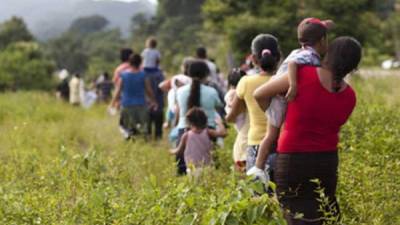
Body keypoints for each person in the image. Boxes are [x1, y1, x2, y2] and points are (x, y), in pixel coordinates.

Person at [254, 36, 362, 224]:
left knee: (293, 213)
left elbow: (259, 93)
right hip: (327, 160)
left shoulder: (303, 75)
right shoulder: (350, 96)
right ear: (353, 67)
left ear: (329, 54)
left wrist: (277, 118)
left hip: (292, 158)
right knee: (323, 210)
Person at [248, 18, 334, 180]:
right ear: (322, 40)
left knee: (273, 134)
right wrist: (293, 85)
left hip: (277, 97)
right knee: (271, 135)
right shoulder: (308, 55)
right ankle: (258, 168)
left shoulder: (301, 50)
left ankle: (260, 167)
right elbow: (294, 64)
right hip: (279, 99)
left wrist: (323, 25)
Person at [225, 34, 281, 181]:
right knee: (283, 195)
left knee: (258, 195)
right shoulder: (285, 81)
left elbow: (232, 115)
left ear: (254, 59)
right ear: (278, 57)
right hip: (282, 144)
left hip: (255, 144)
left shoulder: (245, 82)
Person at [175, 59, 223, 175]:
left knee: (184, 171)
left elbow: (178, 109)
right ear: (206, 74)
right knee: (210, 170)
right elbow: (218, 106)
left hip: (184, 129)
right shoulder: (211, 91)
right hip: (209, 131)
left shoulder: (180, 91)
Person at [110, 54, 157, 140]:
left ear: (129, 62)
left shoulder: (123, 75)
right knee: (142, 128)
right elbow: (149, 90)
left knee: (127, 128)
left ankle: (129, 140)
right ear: (140, 63)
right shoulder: (143, 75)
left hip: (127, 104)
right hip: (141, 105)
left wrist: (112, 103)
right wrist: (153, 101)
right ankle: (143, 142)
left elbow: (118, 91)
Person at [170, 107, 227, 176]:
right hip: (207, 168)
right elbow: (223, 133)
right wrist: (220, 123)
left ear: (189, 121)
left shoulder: (186, 135)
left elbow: (179, 151)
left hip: (192, 170)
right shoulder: (208, 132)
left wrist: (171, 151)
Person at [224, 68, 248, 171]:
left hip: (239, 122)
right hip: (243, 122)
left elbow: (231, 115)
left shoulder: (232, 92)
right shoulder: (240, 92)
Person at [141, 38, 165, 140]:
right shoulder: (159, 74)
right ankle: (158, 136)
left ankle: (148, 135)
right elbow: (158, 61)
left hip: (146, 102)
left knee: (148, 117)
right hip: (158, 101)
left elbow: (143, 60)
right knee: (158, 113)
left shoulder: (145, 52)